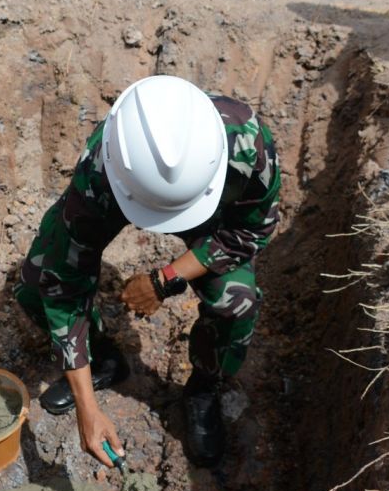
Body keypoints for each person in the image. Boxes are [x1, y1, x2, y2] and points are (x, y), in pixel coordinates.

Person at [14, 75, 280, 468]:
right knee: (36, 285)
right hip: (120, 194)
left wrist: (164, 280)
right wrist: (87, 407)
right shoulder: (100, 172)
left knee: (236, 302)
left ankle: (204, 387)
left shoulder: (246, 143)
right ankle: (101, 358)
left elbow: (250, 232)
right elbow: (62, 285)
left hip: (212, 213)